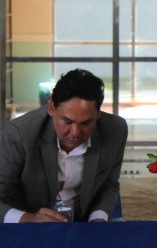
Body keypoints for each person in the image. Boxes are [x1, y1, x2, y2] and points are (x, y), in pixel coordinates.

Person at [0, 69, 128, 223]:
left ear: (98, 114)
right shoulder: (19, 134)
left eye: (86, 123)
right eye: (67, 122)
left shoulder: (115, 130)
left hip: (84, 221)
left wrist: (98, 220)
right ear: (51, 108)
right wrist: (29, 219)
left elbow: (108, 185)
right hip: (29, 222)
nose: (75, 133)